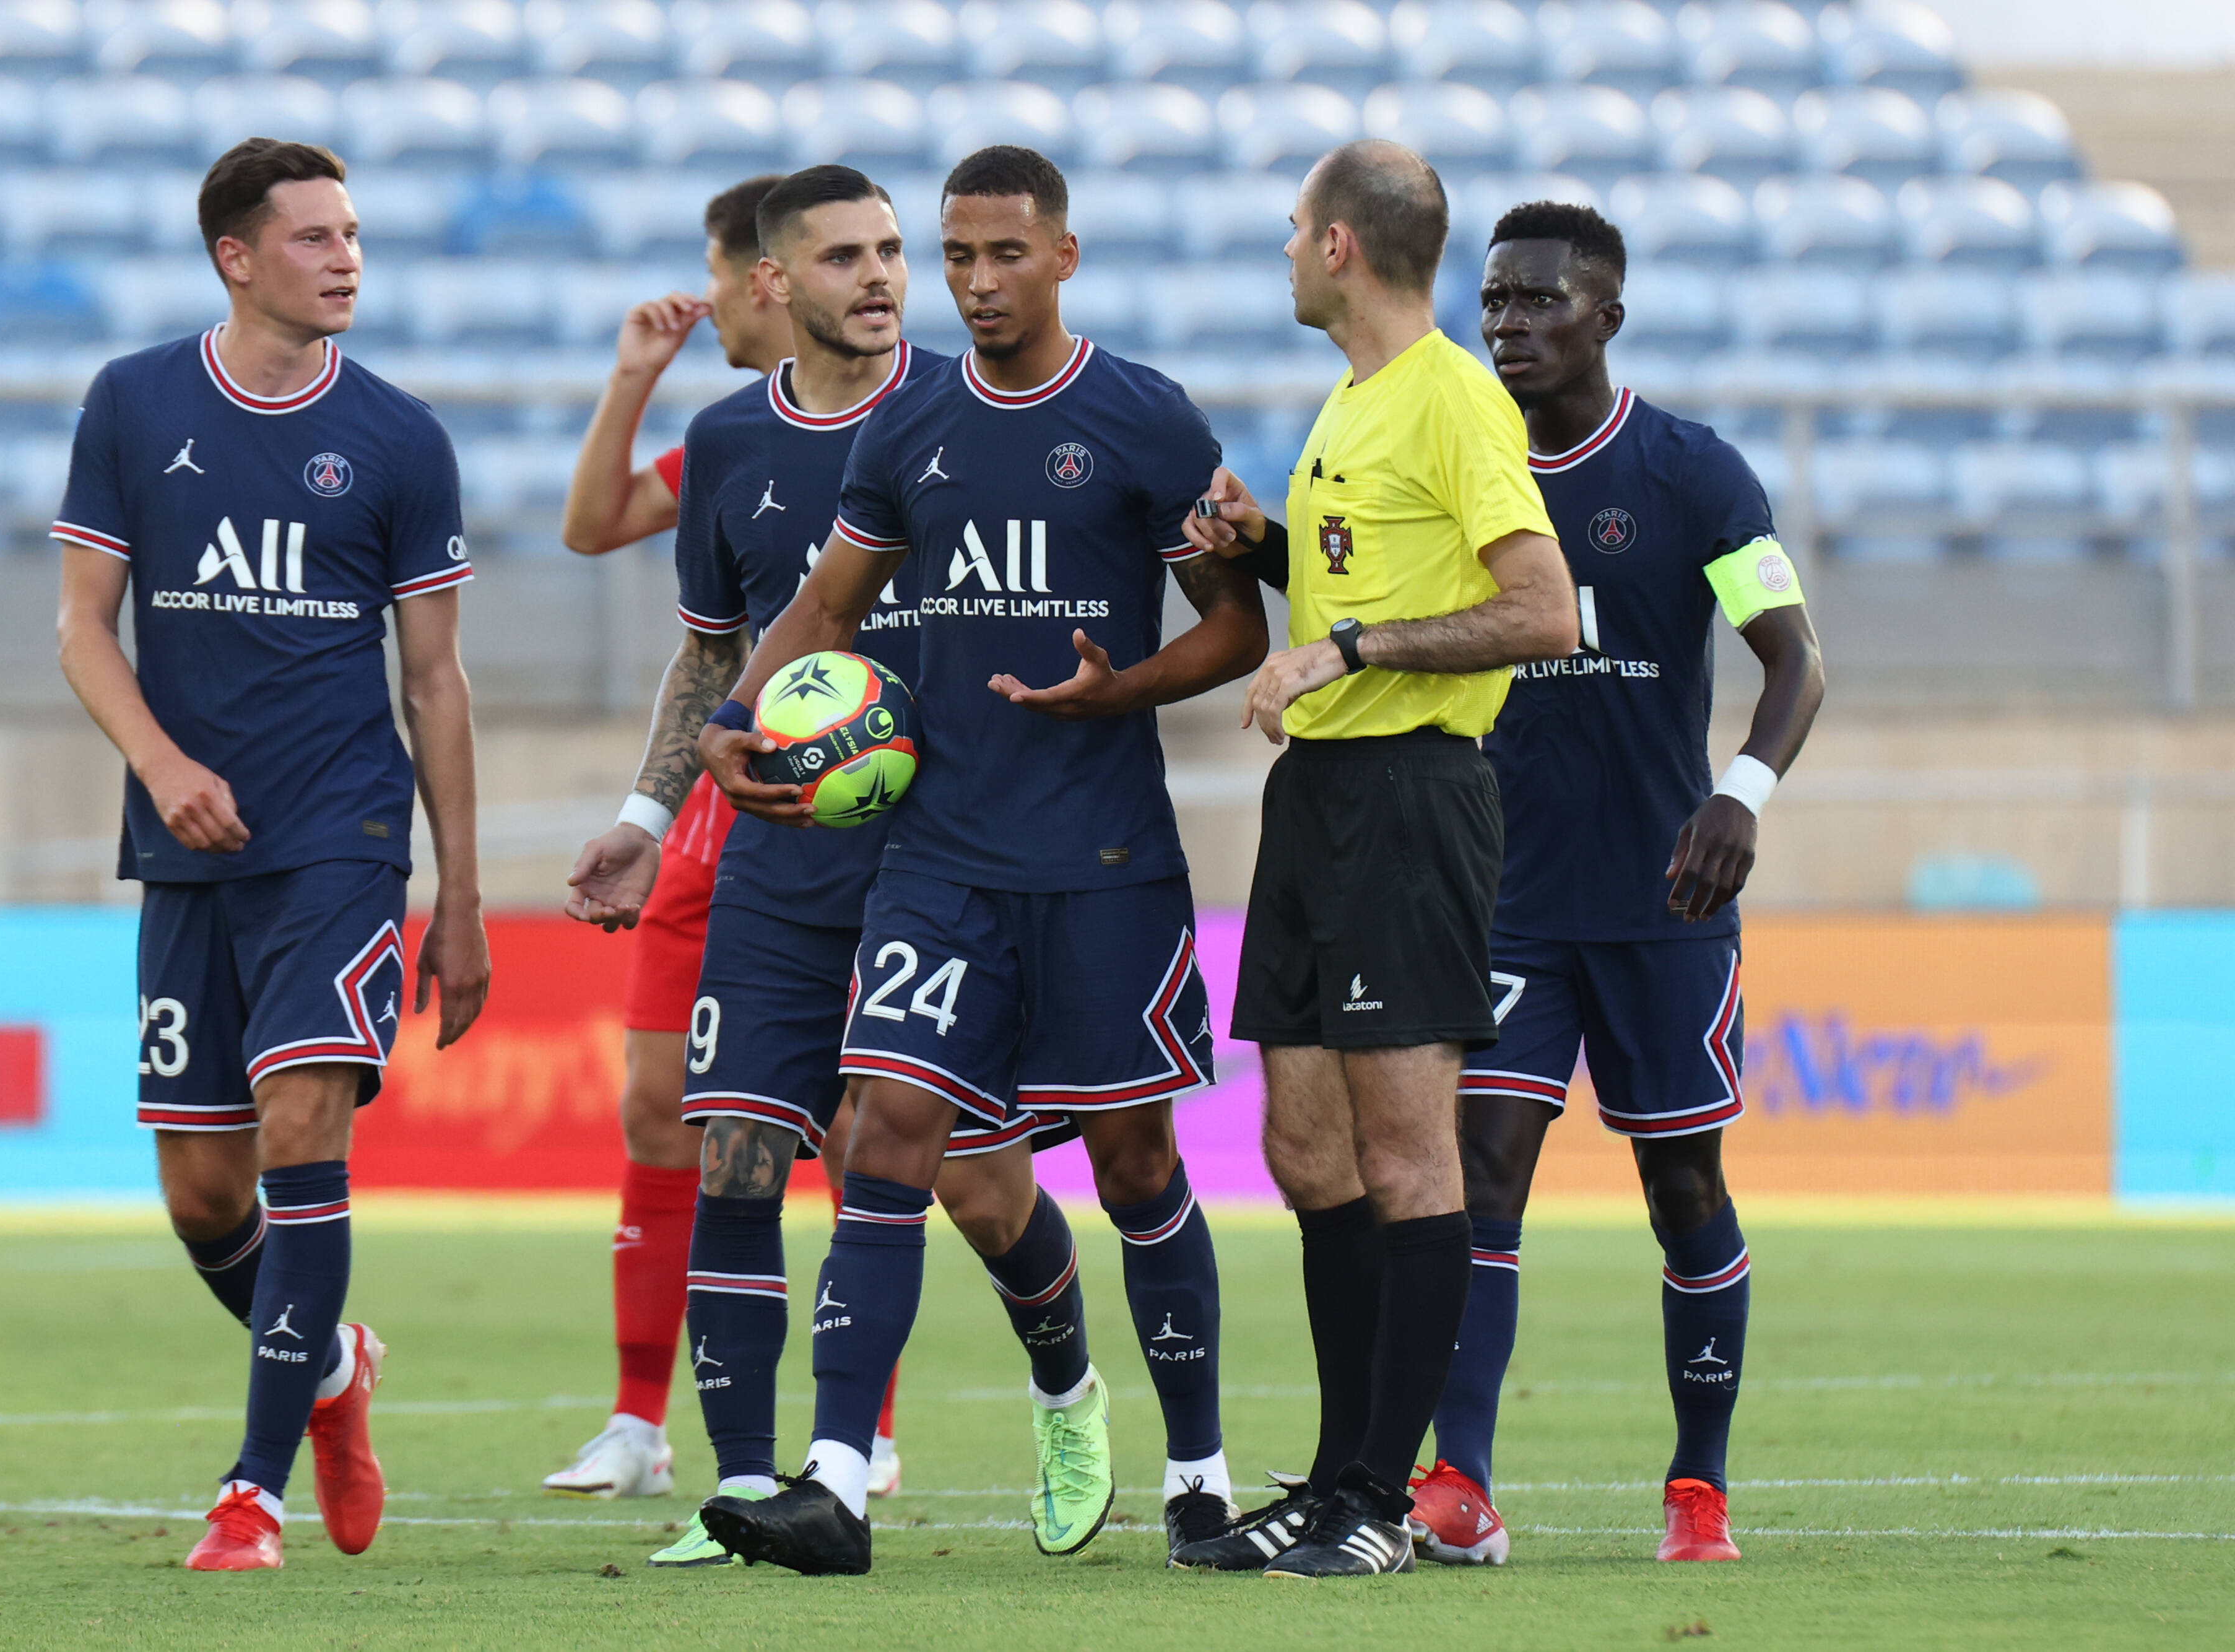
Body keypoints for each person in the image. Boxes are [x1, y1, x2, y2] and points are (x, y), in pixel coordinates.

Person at [692, 145, 1270, 1576]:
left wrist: (1114, 688)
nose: (974, 283)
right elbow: (825, 608)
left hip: (1103, 853)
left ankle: (1195, 1475)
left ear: (1062, 256)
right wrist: (726, 720)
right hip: (937, 857)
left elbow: (1235, 629)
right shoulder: (909, 431)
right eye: (956, 257)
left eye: (1004, 255)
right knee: (885, 1134)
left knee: (1138, 1163)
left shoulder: (1142, 418)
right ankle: (833, 1482)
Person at [52, 138, 490, 1572]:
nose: (346, 256)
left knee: (303, 1132)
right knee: (201, 1195)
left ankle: (250, 1491)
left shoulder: (401, 436)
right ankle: (335, 1365)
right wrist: (164, 765)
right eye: (312, 237)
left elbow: (434, 680)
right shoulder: (132, 400)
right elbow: (80, 628)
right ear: (236, 257)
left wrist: (461, 895)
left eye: (352, 232)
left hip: (340, 842)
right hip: (187, 846)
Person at [1170, 139, 1577, 1578]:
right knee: (1300, 1144)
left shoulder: (1457, 399)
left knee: (1408, 1153)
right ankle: (1341, 1473)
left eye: (1293, 229)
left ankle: (1387, 1502)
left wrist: (1342, 645)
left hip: (1412, 794)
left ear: (1340, 245)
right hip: (1320, 800)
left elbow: (1540, 611)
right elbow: (1375, 571)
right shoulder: (1354, 398)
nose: (1282, 250)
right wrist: (1263, 545)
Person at [1405, 202, 1825, 1567]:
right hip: (1505, 898)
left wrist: (1738, 793)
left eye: (1538, 301)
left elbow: (1795, 660)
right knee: (1480, 1177)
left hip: (1665, 902)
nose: (1508, 325)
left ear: (1606, 315)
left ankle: (1695, 1486)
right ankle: (1455, 1479)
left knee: (1682, 1188)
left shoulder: (1690, 471)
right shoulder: (1460, 466)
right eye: (1493, 303)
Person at [557, 163, 939, 1563]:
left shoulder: (959, 411)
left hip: (942, 850)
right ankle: (744, 1482)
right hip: (763, 845)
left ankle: (1070, 1393)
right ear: (785, 274)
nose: (884, 277)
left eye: (895, 251)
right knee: (725, 1135)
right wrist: (647, 817)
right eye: (852, 253)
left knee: (977, 1171)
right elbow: (713, 646)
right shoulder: (727, 441)